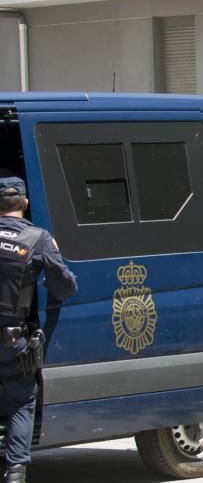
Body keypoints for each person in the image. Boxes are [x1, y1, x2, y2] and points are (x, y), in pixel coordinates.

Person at [0, 177, 78, 483]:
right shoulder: (37, 238)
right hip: (13, 339)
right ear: (25, 203)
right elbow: (65, 287)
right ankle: (15, 473)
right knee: (22, 400)